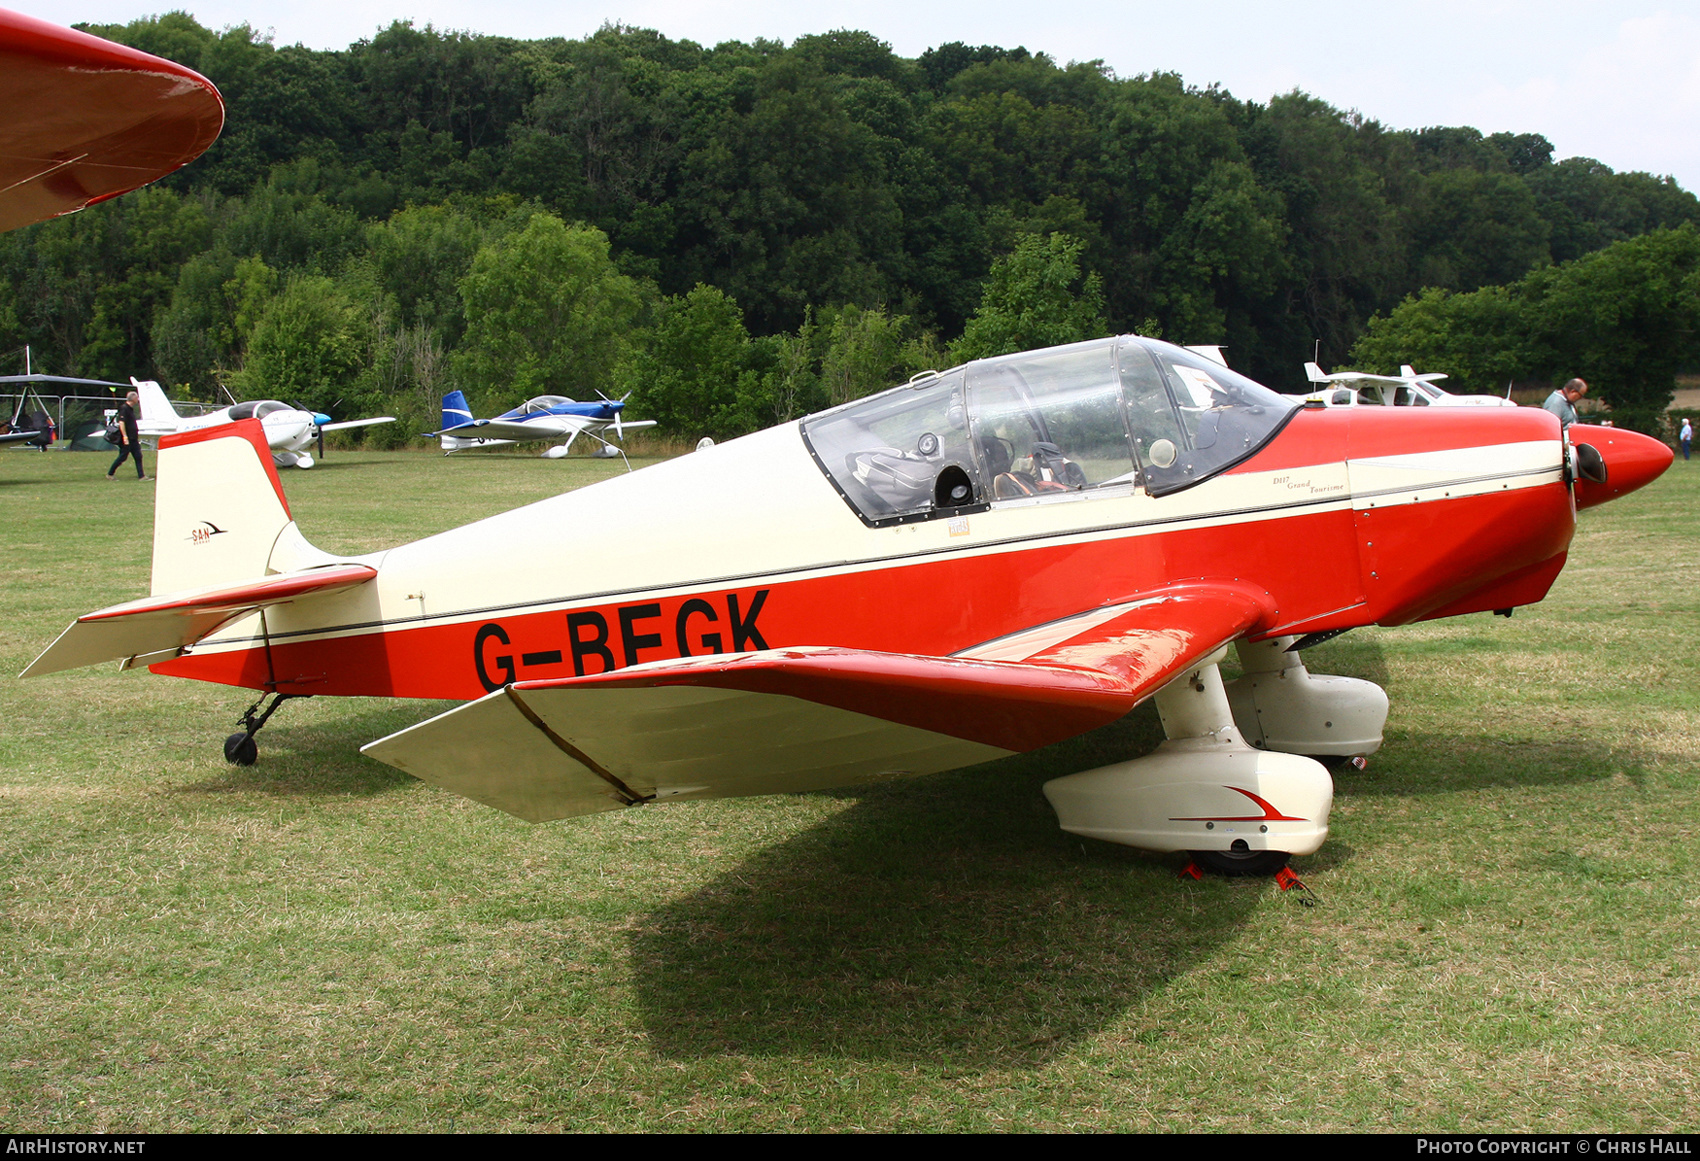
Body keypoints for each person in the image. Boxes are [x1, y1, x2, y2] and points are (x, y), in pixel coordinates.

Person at [106, 390, 147, 481]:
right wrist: (125, 437)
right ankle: (110, 474)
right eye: (137, 398)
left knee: (138, 456)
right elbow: (121, 423)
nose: (138, 400)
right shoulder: (124, 408)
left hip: (133, 438)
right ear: (133, 399)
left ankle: (141, 476)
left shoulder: (130, 409)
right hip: (127, 438)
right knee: (123, 456)